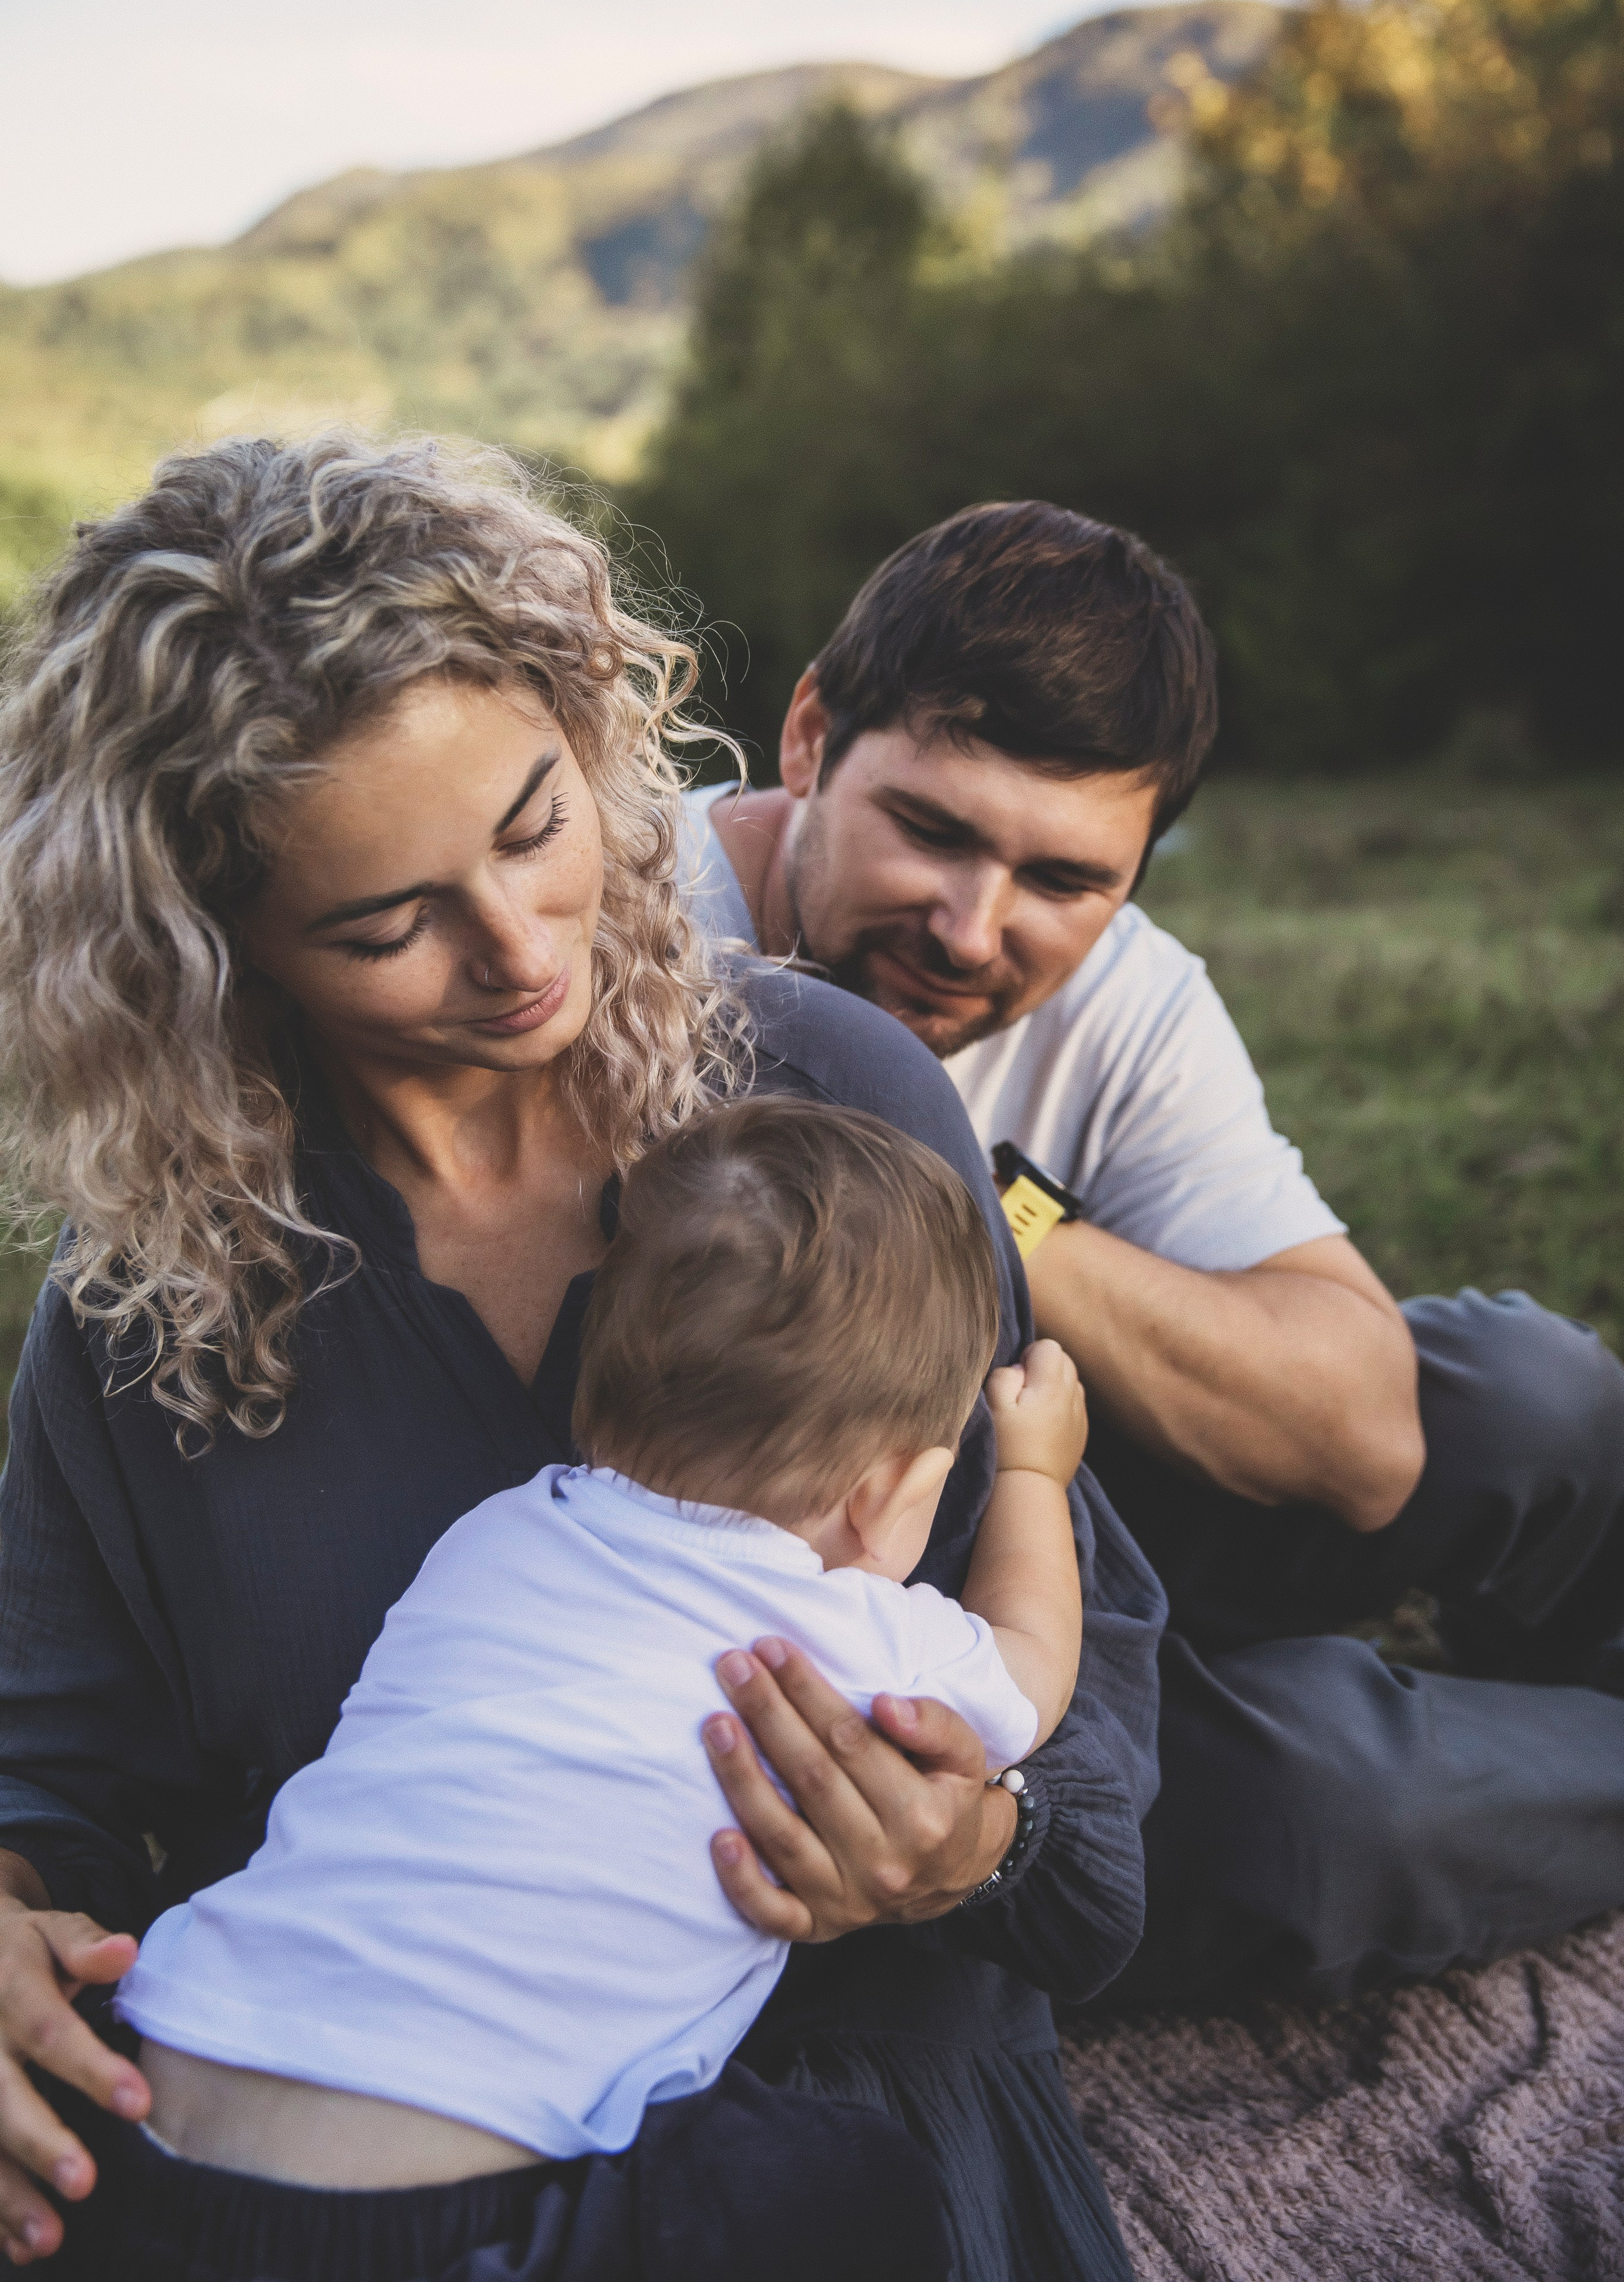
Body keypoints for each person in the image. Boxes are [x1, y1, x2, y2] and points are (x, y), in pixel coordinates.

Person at [0, 438, 1153, 2282]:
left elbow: (1078, 1724)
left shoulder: (831, 1102)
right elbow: (45, 1771)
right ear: (209, 946)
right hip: (366, 2152)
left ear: (591, 733)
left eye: (536, 826)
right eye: (387, 924)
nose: (522, 950)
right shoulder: (153, 1289)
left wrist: (977, 1845)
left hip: (847, 2089)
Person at [683, 497, 1624, 2008]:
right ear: (807, 741)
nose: (971, 929)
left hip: (1064, 1494)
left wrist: (985, 1200)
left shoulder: (1121, 995)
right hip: (838, 1650)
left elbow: (1364, 1439)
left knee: (1525, 1394)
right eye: (930, 831)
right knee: (1331, 1802)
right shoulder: (625, 950)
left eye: (1064, 881)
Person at [100, 1099, 1087, 2282]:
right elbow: (1033, 1664)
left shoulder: (496, 1534)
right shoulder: (853, 1635)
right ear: (890, 1498)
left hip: (159, 2088)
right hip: (451, 2213)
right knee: (857, 2185)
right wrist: (1035, 1472)